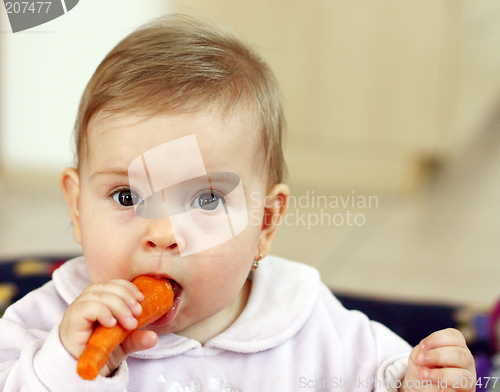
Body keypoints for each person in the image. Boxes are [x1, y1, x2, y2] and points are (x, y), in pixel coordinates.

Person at [0, 14, 476, 392]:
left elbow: (380, 374)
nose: (163, 233)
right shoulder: (46, 323)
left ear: (264, 223)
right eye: (126, 196)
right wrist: (66, 365)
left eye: (205, 199)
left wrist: (420, 381)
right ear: (78, 206)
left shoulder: (302, 314)